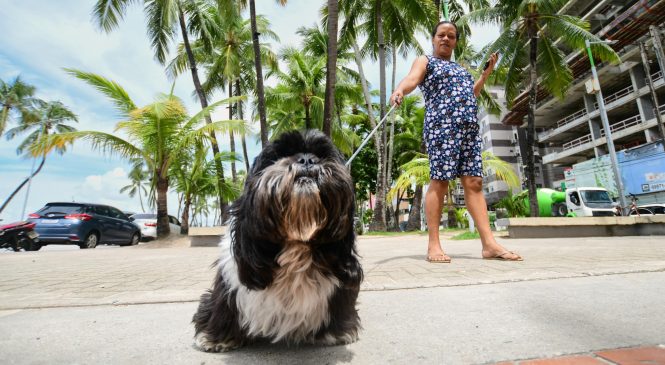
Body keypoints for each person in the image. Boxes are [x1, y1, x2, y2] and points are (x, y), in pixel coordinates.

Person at [390, 20, 522, 263]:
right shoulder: (426, 61)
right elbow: (411, 79)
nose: (446, 39)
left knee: (474, 182)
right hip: (442, 126)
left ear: (456, 42)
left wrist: (484, 76)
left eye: (451, 36)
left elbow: (469, 95)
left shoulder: (462, 70)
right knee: (440, 181)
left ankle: (489, 245)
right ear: (433, 38)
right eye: (441, 35)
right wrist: (400, 91)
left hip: (469, 128)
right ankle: (434, 245)